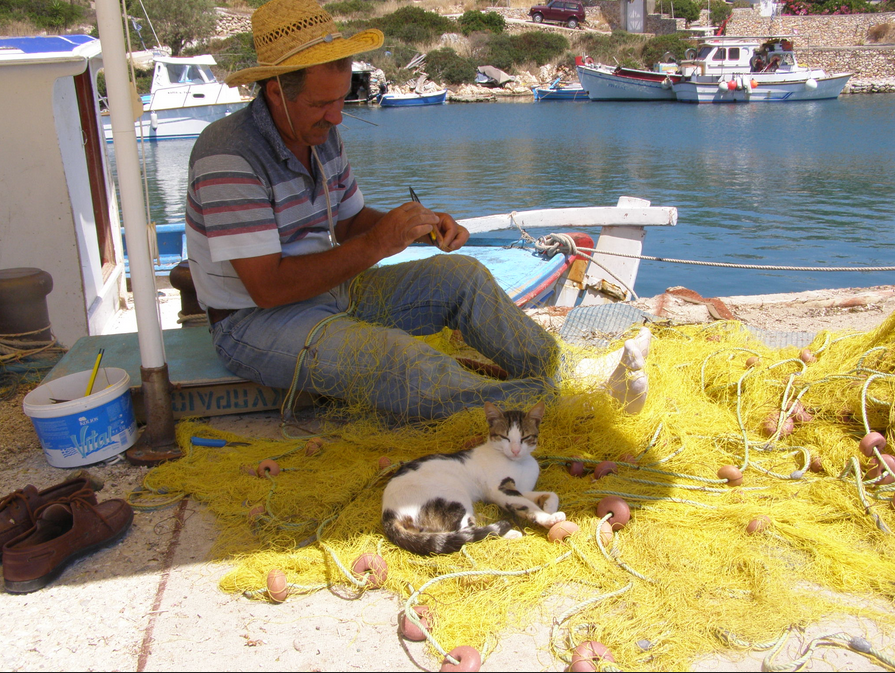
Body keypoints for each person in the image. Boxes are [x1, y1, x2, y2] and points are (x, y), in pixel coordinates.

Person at [185, 0, 651, 422]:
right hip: (253, 322)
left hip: (331, 290)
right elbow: (267, 288)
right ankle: (551, 406)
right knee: (396, 362)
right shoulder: (228, 155)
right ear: (274, 92)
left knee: (462, 278)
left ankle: (563, 374)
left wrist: (416, 228)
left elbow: (348, 223)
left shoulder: (319, 135)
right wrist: (376, 244)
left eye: (342, 98)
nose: (337, 117)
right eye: (321, 104)